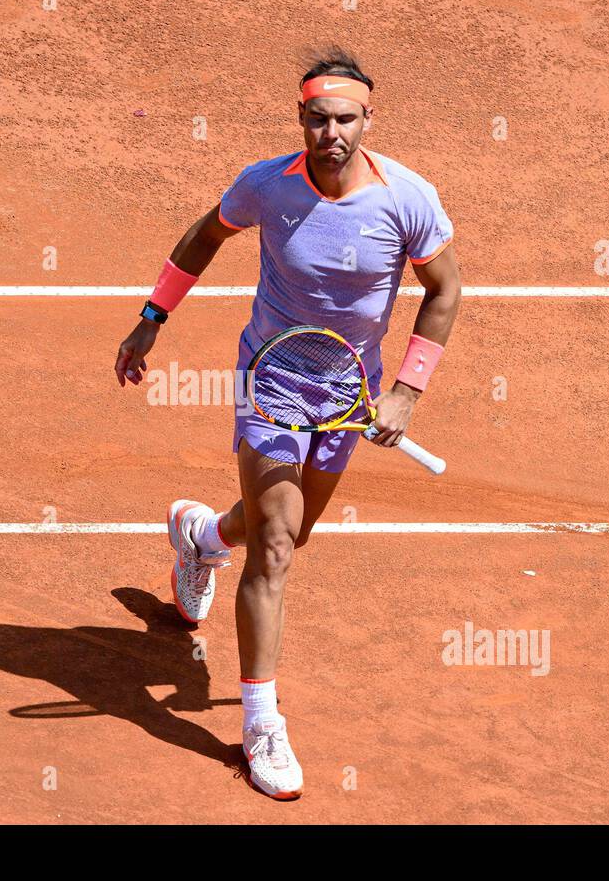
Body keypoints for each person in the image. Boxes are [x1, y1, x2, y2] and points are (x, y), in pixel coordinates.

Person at [113, 46, 461, 800]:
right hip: (271, 377)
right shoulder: (267, 186)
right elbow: (205, 235)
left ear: (370, 118)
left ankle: (200, 538)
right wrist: (151, 319)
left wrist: (406, 391)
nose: (331, 133)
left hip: (353, 390)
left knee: (291, 529)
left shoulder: (408, 198)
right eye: (317, 119)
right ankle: (261, 722)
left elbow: (444, 289)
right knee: (275, 547)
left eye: (345, 119)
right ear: (299, 118)